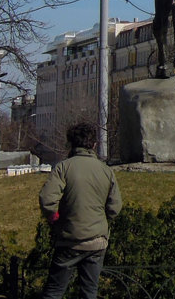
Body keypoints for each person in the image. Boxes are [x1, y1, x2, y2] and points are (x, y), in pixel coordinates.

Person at [37, 122, 122, 299]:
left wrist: (55, 220)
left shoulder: (63, 167)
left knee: (54, 292)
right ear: (94, 145)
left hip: (70, 240)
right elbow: (115, 207)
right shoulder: (106, 170)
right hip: (97, 241)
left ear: (71, 143)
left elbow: (47, 199)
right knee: (89, 292)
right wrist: (102, 221)